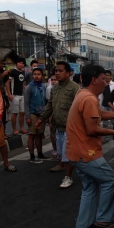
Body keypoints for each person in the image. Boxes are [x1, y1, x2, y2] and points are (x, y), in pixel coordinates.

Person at [66, 64, 114, 228]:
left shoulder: (83, 94)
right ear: (95, 79)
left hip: (76, 152)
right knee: (111, 180)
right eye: (103, 78)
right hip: (86, 153)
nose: (106, 82)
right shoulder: (89, 98)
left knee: (90, 187)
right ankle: (104, 218)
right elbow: (92, 129)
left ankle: (83, 224)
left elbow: (97, 114)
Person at [36, 61, 79, 189]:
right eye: (56, 71)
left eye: (60, 71)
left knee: (67, 154)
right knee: (62, 153)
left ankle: (68, 177)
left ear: (68, 73)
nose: (57, 73)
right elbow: (50, 106)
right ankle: (75, 170)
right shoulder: (54, 88)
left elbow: (79, 107)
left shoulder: (74, 88)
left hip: (70, 127)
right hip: (58, 126)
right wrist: (41, 119)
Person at [24, 67, 47, 164]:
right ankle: (32, 155)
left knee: (40, 135)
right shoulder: (29, 87)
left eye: (38, 74)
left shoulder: (43, 86)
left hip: (41, 114)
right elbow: (26, 103)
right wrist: (27, 116)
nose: (36, 76)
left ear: (42, 76)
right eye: (35, 74)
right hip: (33, 114)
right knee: (32, 135)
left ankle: (40, 153)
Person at [6, 58, 27, 135]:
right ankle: (14, 129)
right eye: (19, 63)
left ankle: (21, 128)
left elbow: (23, 84)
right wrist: (9, 94)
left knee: (22, 113)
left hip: (22, 95)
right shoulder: (13, 72)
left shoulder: (24, 72)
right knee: (14, 113)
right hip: (14, 95)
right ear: (16, 63)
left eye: (22, 63)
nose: (21, 64)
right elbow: (7, 83)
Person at [46, 72, 58, 159]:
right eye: (52, 80)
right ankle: (55, 149)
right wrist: (49, 117)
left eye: (55, 80)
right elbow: (48, 104)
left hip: (63, 116)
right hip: (53, 115)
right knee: (53, 133)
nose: (53, 81)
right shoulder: (49, 89)